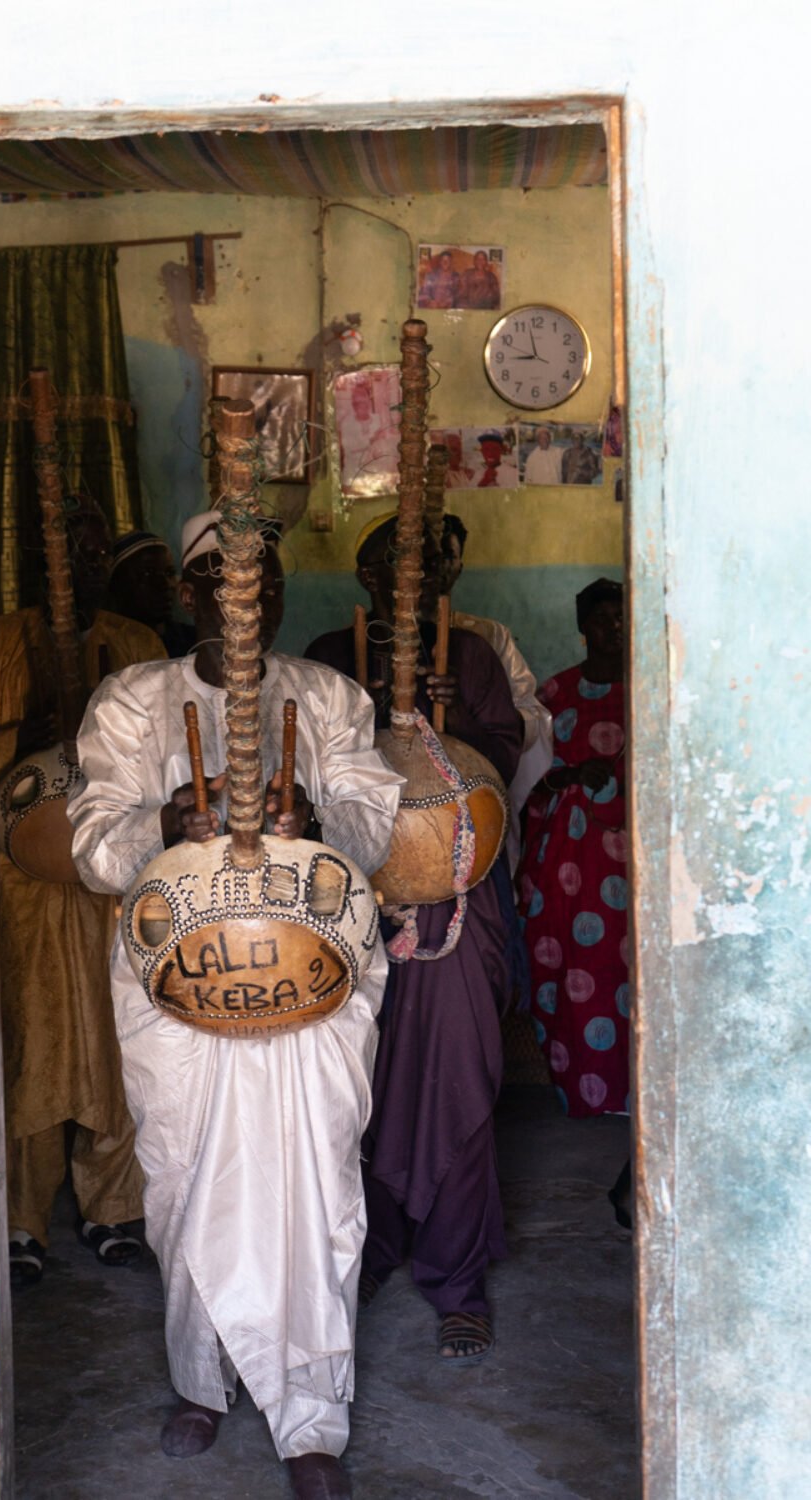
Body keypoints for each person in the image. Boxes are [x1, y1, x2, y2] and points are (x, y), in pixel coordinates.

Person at [67, 511, 402, 1500]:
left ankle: (310, 1419)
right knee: (189, 1176)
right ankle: (202, 1381)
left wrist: (322, 822)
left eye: (260, 577)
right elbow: (91, 845)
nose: (240, 595)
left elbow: (374, 824)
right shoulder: (133, 702)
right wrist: (164, 824)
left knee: (314, 1183)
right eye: (218, 575)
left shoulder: (330, 697)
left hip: (309, 987)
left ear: (282, 593)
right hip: (184, 995)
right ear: (188, 591)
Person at [306, 514, 524, 1365]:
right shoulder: (330, 654)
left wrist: (453, 720)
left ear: (445, 581)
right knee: (352, 1083)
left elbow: (504, 767)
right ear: (363, 580)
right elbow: (309, 773)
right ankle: (373, 1246)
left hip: (455, 907)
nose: (405, 586)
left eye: (424, 571)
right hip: (353, 900)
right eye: (386, 569)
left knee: (456, 1079)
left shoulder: (468, 654)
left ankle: (457, 1278)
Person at [0, 498, 167, 1286]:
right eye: (64, 551)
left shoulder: (137, 648)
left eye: (93, 553)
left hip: (112, 877)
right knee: (29, 1036)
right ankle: (22, 1218)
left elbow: (169, 756)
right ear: (32, 557)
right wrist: (18, 737)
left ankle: (114, 1206)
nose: (80, 566)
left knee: (119, 1028)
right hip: (23, 881)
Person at [517, 578, 629, 1118]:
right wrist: (569, 778)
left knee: (633, 970)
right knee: (577, 969)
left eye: (622, 617)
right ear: (583, 629)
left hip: (635, 860)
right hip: (570, 863)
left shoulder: (651, 692)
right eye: (603, 619)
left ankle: (642, 1094)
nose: (614, 627)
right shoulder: (555, 696)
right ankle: (587, 1091)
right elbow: (527, 781)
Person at [441, 514, 553, 874]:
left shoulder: (488, 636)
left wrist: (483, 722)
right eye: (423, 556)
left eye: (447, 555)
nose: (434, 566)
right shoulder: (373, 637)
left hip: (476, 795)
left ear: (459, 566)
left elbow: (530, 717)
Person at [106, 529, 196, 658]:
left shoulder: (195, 642)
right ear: (118, 585)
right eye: (147, 574)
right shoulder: (109, 650)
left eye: (169, 573)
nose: (165, 584)